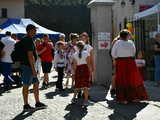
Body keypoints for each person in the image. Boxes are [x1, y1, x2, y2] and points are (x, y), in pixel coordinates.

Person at [111, 30, 148, 104]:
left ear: (121, 36)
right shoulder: (131, 42)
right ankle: (134, 97)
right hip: (130, 62)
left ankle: (122, 99)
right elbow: (134, 52)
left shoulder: (117, 43)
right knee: (132, 79)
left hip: (121, 62)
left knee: (122, 79)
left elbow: (113, 54)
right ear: (127, 36)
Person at [21, 24, 47, 111]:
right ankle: (26, 105)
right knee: (26, 85)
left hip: (32, 66)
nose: (35, 32)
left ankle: (37, 102)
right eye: (34, 30)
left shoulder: (29, 39)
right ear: (29, 31)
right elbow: (30, 56)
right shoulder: (28, 40)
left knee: (36, 84)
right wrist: (33, 70)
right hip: (28, 67)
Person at [71, 41, 91, 106]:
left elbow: (74, 66)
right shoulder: (86, 53)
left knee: (77, 85)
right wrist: (90, 71)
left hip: (78, 70)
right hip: (85, 69)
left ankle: (73, 98)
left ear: (77, 47)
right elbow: (88, 64)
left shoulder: (74, 54)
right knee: (86, 86)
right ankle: (85, 101)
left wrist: (75, 72)